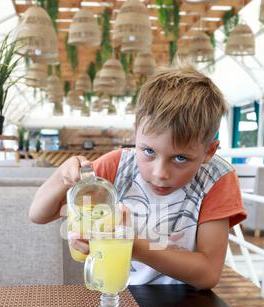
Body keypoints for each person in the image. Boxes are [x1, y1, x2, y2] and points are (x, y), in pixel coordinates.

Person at [29, 64, 246, 290]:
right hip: (116, 293)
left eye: (181, 158)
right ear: (136, 132)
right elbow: (38, 214)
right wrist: (62, 177)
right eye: (149, 151)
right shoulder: (117, 166)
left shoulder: (217, 179)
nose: (160, 173)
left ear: (209, 152)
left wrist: (132, 246)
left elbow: (208, 274)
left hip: (185, 304)